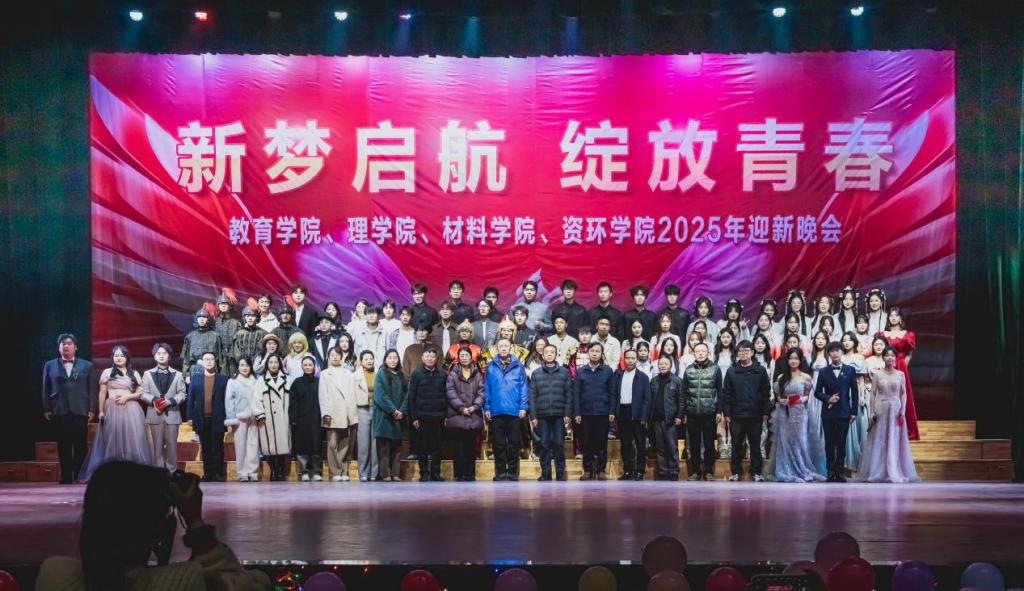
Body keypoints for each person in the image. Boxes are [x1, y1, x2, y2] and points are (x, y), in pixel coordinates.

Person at [35, 461, 272, 591]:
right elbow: (247, 585)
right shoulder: (186, 581)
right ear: (157, 528)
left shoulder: (54, 576)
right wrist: (194, 521)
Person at [78, 346, 150, 483]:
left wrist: (127, 397)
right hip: (112, 408)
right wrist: (100, 411)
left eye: (122, 355)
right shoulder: (107, 372)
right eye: (116, 355)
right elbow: (102, 393)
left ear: (127, 358)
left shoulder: (134, 373)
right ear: (112, 358)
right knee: (112, 438)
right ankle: (111, 474)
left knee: (131, 439)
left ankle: (132, 473)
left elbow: (140, 392)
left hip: (131, 409)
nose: (119, 358)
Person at [857, 347, 921, 483]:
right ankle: (878, 471)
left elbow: (903, 393)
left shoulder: (900, 374)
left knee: (894, 439)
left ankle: (894, 470)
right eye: (887, 355)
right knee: (880, 439)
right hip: (881, 408)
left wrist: (903, 411)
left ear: (895, 358)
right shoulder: (877, 374)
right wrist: (872, 412)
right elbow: (873, 394)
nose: (890, 358)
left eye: (892, 355)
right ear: (883, 358)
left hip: (896, 410)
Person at [765, 348, 826, 483]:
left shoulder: (806, 377)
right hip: (784, 413)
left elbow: (806, 397)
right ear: (787, 360)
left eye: (796, 358)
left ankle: (802, 468)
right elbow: (779, 397)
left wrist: (792, 400)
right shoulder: (781, 377)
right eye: (791, 358)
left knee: (800, 441)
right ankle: (786, 469)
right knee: (784, 441)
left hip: (800, 413)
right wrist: (781, 401)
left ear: (800, 360)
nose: (793, 361)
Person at [722, 340, 772, 482]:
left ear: (752, 352)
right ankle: (736, 472)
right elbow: (726, 394)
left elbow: (766, 392)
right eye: (740, 351)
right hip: (736, 415)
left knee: (755, 445)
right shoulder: (732, 371)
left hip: (755, 415)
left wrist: (765, 412)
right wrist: (727, 413)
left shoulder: (760, 370)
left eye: (746, 351)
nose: (743, 353)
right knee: (736, 445)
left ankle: (756, 472)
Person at [484, 339, 530, 480]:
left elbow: (524, 387)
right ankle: (500, 472)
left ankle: (513, 472)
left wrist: (523, 406)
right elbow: (487, 388)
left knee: (513, 443)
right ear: (497, 348)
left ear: (510, 348)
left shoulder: (518, 366)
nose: (503, 348)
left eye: (506, 346)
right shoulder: (490, 366)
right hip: (496, 410)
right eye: (501, 346)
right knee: (498, 444)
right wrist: (487, 407)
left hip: (514, 410)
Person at [814, 342, 859, 483]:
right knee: (829, 444)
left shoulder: (850, 370)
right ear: (828, 353)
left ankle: (839, 472)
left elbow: (855, 392)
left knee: (841, 443)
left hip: (844, 412)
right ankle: (830, 472)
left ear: (842, 352)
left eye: (837, 350)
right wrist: (828, 398)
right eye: (832, 351)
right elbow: (817, 392)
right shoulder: (823, 371)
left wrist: (854, 411)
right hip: (828, 413)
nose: (835, 353)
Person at [140, 343, 187, 472]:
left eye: (164, 353)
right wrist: (155, 400)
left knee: (172, 446)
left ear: (169, 356)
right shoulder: (148, 374)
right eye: (158, 353)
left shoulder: (178, 374)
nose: (161, 356)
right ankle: (158, 473)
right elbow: (143, 393)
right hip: (154, 415)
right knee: (156, 447)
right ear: (154, 356)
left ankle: (171, 473)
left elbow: (182, 394)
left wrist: (170, 401)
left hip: (172, 415)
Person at [529, 344, 573, 481]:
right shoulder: (536, 373)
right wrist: (533, 416)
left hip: (559, 415)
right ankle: (546, 474)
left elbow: (569, 394)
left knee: (559, 444)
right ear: (542, 355)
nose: (549, 354)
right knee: (544, 445)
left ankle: (560, 474)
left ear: (556, 354)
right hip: (542, 415)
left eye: (552, 352)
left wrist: (567, 413)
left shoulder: (564, 372)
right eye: (546, 352)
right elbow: (532, 396)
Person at [680, 342, 723, 481]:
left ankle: (709, 471)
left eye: (703, 351)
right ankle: (695, 471)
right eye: (697, 351)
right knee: (694, 444)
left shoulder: (715, 369)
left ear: (708, 352)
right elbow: (683, 393)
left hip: (709, 413)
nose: (700, 353)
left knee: (709, 444)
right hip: (692, 413)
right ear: (693, 353)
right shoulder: (688, 370)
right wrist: (683, 412)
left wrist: (719, 411)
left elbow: (720, 391)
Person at [573, 342, 616, 481]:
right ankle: (588, 470)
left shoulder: (607, 371)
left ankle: (601, 470)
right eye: (592, 351)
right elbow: (576, 393)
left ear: (601, 354)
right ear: (588, 353)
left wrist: (612, 411)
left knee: (602, 443)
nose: (595, 353)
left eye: (597, 351)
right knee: (586, 443)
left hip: (603, 412)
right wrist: (577, 412)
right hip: (585, 413)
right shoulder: (581, 371)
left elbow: (612, 392)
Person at [879, 306, 921, 441]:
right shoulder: (882, 334)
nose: (893, 318)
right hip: (885, 366)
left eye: (896, 315)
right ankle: (887, 429)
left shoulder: (907, 334)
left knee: (902, 395)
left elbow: (909, 354)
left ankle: (906, 429)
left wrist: (901, 368)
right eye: (891, 316)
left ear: (900, 318)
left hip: (901, 366)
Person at [186, 352, 227, 482]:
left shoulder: (223, 379)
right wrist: (190, 416)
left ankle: (218, 474)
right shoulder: (196, 379)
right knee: (206, 448)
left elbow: (227, 400)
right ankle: (208, 474)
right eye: (206, 359)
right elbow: (190, 399)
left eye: (211, 359)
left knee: (218, 447)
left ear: (215, 362)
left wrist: (228, 416)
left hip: (218, 418)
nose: (209, 362)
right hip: (201, 418)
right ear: (202, 362)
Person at [611, 349, 652, 481]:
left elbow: (647, 399)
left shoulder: (643, 377)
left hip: (637, 413)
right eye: (628, 358)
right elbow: (614, 395)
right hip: (623, 411)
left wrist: (644, 417)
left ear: (636, 359)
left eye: (633, 358)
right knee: (626, 444)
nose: (630, 360)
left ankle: (640, 471)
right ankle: (628, 470)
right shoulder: (618, 375)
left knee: (640, 444)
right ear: (624, 359)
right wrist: (613, 411)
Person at [319, 347, 358, 482]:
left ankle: (343, 470)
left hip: (346, 411)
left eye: (337, 355)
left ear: (341, 357)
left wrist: (352, 412)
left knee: (344, 443)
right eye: (332, 355)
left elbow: (352, 394)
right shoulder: (325, 374)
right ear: (328, 357)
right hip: (332, 411)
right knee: (332, 444)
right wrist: (325, 413)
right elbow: (322, 395)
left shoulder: (348, 373)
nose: (335, 357)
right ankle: (335, 471)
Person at [446, 347, 485, 481]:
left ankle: (470, 473)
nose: (464, 358)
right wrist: (461, 407)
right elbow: (450, 392)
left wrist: (475, 406)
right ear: (458, 358)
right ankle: (459, 474)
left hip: (473, 414)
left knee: (470, 446)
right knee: (459, 446)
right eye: (461, 356)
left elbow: (481, 392)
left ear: (471, 357)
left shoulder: (477, 373)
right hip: (458, 414)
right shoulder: (453, 374)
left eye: (466, 355)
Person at [408, 346, 447, 481]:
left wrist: (445, 415)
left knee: (437, 447)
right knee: (422, 447)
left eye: (432, 356)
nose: (430, 359)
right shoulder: (416, 374)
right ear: (422, 358)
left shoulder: (442, 374)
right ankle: (424, 474)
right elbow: (411, 397)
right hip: (422, 417)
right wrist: (414, 417)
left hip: (438, 416)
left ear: (436, 359)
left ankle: (436, 474)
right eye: (427, 356)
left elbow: (446, 396)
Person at [253, 353, 290, 481]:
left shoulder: (287, 379)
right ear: (267, 365)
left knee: (282, 446)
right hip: (267, 419)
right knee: (270, 447)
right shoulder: (261, 381)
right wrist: (260, 414)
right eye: (271, 362)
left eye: (276, 362)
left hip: (283, 418)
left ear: (279, 364)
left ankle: (280, 471)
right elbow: (256, 399)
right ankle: (273, 471)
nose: (273, 365)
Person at [373, 349, 408, 482]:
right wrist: (393, 410)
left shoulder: (402, 375)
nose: (393, 360)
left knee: (397, 446)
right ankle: (384, 473)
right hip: (384, 415)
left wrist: (402, 410)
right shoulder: (381, 374)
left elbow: (407, 395)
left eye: (395, 358)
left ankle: (395, 473)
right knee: (384, 447)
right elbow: (380, 395)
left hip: (399, 416)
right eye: (390, 358)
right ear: (385, 359)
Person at [224, 357, 260, 482]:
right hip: (239, 419)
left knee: (253, 446)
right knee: (240, 446)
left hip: (254, 418)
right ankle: (242, 473)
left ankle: (253, 472)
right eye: (242, 365)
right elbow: (229, 402)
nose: (245, 368)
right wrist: (232, 417)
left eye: (247, 365)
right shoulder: (233, 382)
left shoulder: (256, 381)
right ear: (238, 367)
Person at [649, 356, 683, 480]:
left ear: (671, 365)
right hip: (656, 419)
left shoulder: (677, 381)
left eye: (665, 364)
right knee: (660, 447)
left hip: (671, 420)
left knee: (672, 447)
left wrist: (679, 416)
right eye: (661, 364)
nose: (663, 366)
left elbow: (681, 400)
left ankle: (673, 472)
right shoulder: (654, 381)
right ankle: (663, 472)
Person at [289, 356, 323, 482]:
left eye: (310, 365)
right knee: (302, 445)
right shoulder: (297, 383)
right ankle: (304, 471)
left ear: (314, 367)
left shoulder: (319, 382)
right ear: (302, 367)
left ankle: (316, 471)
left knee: (316, 445)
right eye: (305, 365)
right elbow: (293, 402)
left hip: (316, 418)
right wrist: (293, 418)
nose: (308, 367)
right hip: (301, 420)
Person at [840, 332, 869, 472]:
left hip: (856, 390)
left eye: (849, 340)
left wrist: (862, 396)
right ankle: (845, 462)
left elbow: (862, 379)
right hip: (843, 392)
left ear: (854, 342)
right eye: (844, 340)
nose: (846, 343)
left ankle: (859, 463)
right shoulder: (840, 357)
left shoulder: (860, 357)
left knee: (858, 424)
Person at [354, 351, 379, 482]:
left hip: (376, 409)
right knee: (363, 443)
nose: (369, 361)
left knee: (375, 443)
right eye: (366, 359)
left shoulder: (378, 373)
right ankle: (363, 472)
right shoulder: (355, 375)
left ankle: (374, 473)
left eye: (371, 359)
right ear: (361, 361)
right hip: (362, 409)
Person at [182, 308, 223, 383]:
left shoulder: (215, 336)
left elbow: (221, 359)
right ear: (196, 319)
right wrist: (186, 375)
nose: (201, 319)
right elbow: (186, 358)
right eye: (199, 317)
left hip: (212, 370)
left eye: (204, 317)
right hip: (195, 371)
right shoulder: (190, 337)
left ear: (208, 319)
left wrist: (222, 376)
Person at [231, 307, 267, 373]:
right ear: (244, 318)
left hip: (259, 368)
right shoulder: (239, 334)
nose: (250, 318)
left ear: (257, 317)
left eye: (253, 316)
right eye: (247, 316)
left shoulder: (263, 334)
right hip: (243, 367)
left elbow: (266, 351)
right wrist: (242, 363)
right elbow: (235, 353)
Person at [214, 295, 241, 376]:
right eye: (221, 304)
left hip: (233, 358)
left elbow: (239, 344)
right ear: (218, 306)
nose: (223, 305)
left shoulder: (236, 323)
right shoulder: (213, 323)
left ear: (229, 306)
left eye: (225, 303)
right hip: (218, 358)